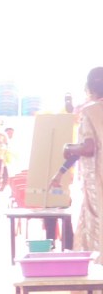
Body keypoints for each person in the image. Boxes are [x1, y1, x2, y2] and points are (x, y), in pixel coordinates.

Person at [52, 66, 103, 274]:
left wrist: (68, 148)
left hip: (97, 186)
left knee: (96, 233)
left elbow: (88, 148)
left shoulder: (90, 112)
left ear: (89, 88)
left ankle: (96, 283)